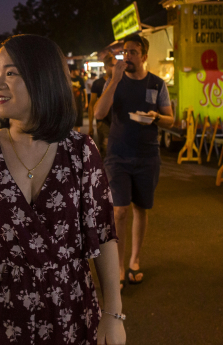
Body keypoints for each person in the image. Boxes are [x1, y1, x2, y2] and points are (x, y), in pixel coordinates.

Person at [0, 34, 125, 345]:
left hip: (71, 313)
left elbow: (103, 234)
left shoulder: (80, 151)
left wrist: (113, 313)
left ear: (42, 78)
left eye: (10, 73)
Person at [93, 33, 173, 291]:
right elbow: (99, 113)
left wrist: (156, 118)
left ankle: (134, 261)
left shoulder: (157, 84)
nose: (127, 56)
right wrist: (114, 80)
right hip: (118, 154)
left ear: (144, 56)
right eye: (125, 52)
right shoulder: (114, 81)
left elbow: (171, 119)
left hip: (148, 155)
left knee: (141, 208)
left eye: (133, 52)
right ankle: (117, 266)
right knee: (119, 210)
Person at [88, 53, 116, 157]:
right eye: (111, 65)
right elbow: (92, 104)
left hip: (117, 121)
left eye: (115, 65)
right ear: (105, 67)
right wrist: (90, 126)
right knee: (105, 149)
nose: (114, 68)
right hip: (103, 121)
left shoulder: (120, 82)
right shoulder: (97, 83)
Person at [70, 66, 87, 132]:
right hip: (69, 103)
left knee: (78, 121)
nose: (78, 72)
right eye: (77, 70)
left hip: (78, 103)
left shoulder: (80, 79)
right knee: (70, 121)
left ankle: (77, 135)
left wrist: (86, 102)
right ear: (72, 71)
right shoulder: (67, 79)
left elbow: (84, 91)